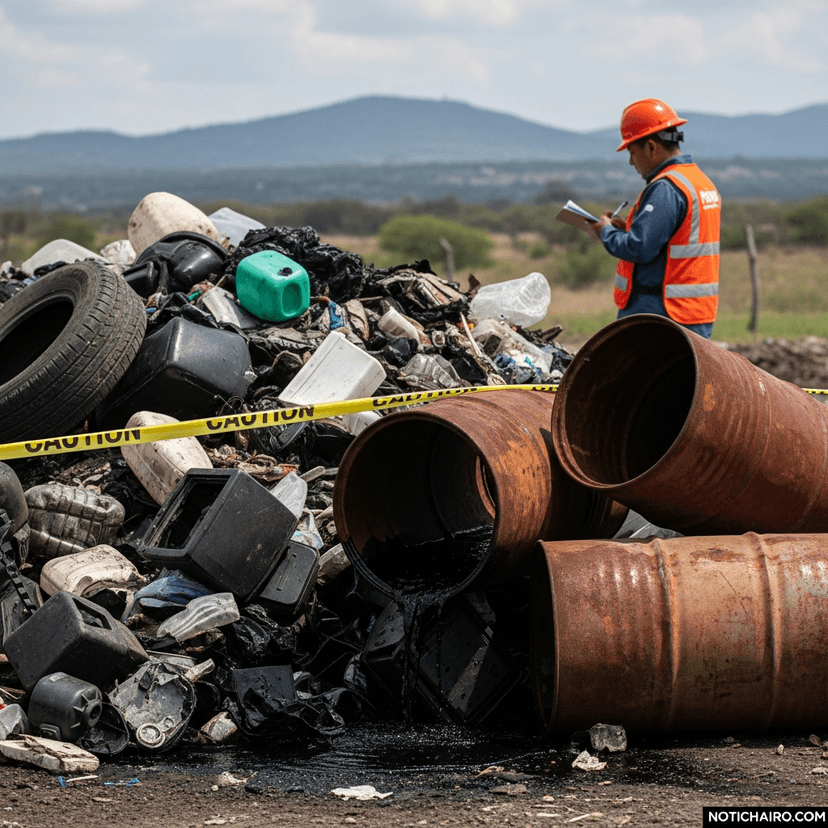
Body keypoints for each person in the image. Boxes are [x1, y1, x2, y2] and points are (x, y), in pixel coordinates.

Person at [589, 98, 721, 338]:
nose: (631, 161)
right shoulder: (699, 182)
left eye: (632, 152)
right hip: (692, 315)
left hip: (659, 316)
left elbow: (640, 248)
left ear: (651, 147)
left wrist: (606, 231)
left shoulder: (666, 188)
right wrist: (625, 228)